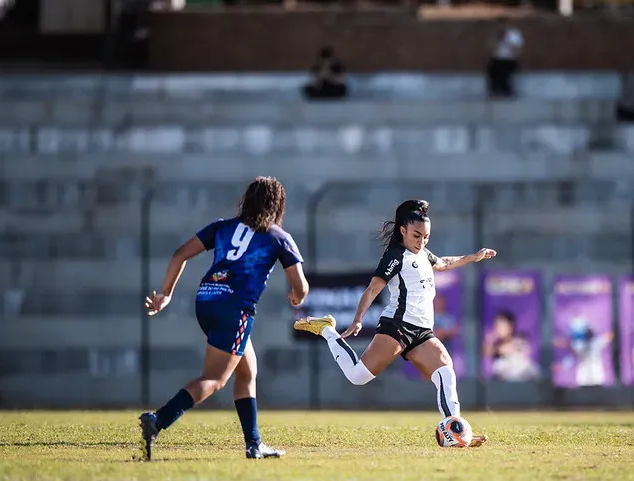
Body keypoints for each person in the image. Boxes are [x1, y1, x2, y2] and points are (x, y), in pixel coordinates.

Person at [293, 200, 496, 447]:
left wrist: (474, 257)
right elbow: (372, 289)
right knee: (358, 376)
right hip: (397, 326)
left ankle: (456, 432)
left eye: (426, 237)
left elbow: (444, 263)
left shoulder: (424, 254)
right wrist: (357, 320)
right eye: (416, 235)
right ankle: (326, 329)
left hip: (422, 332)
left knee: (445, 372)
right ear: (403, 230)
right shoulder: (395, 256)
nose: (421, 241)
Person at [138, 176, 309, 461]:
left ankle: (254, 444)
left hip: (206, 301)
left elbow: (180, 254)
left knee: (246, 371)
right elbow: (301, 286)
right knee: (215, 379)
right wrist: (297, 297)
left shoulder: (222, 227)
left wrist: (166, 293)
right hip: (235, 308)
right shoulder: (277, 236)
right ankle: (158, 420)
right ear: (278, 205)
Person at [486, 21, 523, 98]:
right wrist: (497, 41)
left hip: (510, 59)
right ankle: (494, 90)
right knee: (492, 70)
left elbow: (517, 48)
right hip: (497, 59)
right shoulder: (497, 35)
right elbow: (491, 47)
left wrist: (507, 40)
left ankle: (507, 90)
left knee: (505, 72)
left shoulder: (514, 34)